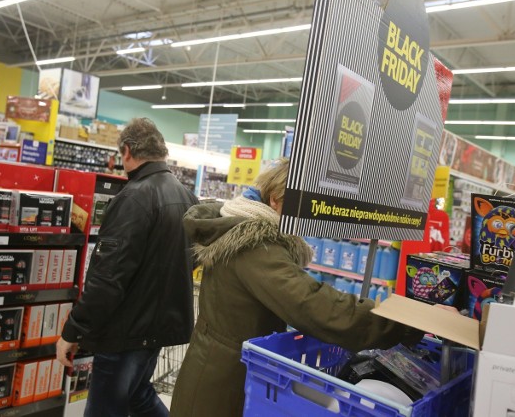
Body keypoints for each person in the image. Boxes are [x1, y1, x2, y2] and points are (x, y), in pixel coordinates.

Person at [170, 159, 422, 417]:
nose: (305, 219)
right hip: (220, 388)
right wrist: (402, 322)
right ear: (276, 199)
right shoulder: (255, 247)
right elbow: (314, 305)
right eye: (301, 208)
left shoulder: (242, 228)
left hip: (222, 371)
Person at [57, 118, 199, 417]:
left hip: (127, 331)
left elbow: (108, 277)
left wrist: (73, 331)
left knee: (105, 409)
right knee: (138, 395)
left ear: (126, 151)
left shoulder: (134, 198)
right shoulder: (187, 196)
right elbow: (193, 258)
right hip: (158, 328)